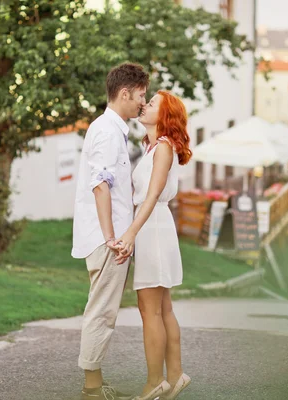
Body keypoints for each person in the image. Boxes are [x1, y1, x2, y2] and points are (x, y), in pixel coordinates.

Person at [72, 62, 149, 400]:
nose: (143, 105)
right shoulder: (106, 130)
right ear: (124, 93)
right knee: (101, 311)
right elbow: (100, 185)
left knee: (103, 310)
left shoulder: (112, 129)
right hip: (108, 239)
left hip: (110, 236)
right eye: (141, 97)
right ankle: (91, 388)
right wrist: (110, 238)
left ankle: (95, 381)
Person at [114, 91, 193, 400]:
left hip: (153, 229)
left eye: (152, 104)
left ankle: (154, 383)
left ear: (164, 116)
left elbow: (151, 197)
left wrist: (131, 233)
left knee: (151, 311)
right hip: (156, 227)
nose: (144, 105)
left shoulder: (162, 149)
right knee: (163, 309)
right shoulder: (153, 148)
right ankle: (174, 376)